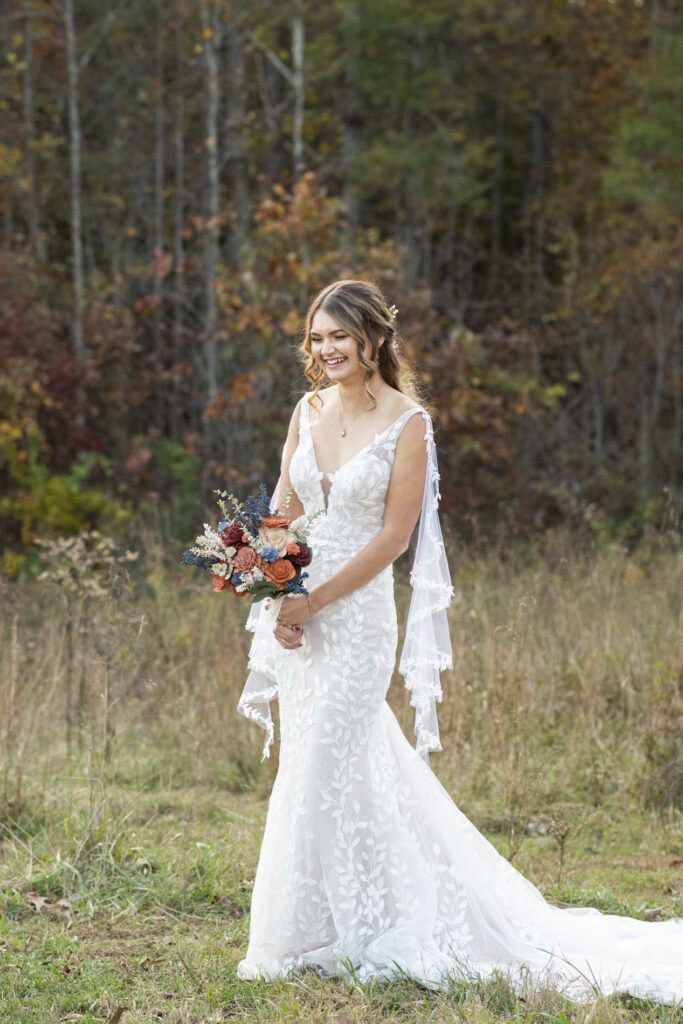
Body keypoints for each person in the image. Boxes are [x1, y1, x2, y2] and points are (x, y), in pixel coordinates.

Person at [235, 278, 683, 1004]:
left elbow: (392, 537)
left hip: (354, 619)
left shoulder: (407, 422)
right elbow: (284, 509)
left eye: (338, 336)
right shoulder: (306, 408)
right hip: (300, 616)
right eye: (316, 338)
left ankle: (354, 930)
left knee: (325, 762)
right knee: (317, 765)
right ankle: (321, 926)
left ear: (373, 339)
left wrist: (313, 599)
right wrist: (272, 586)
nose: (326, 351)